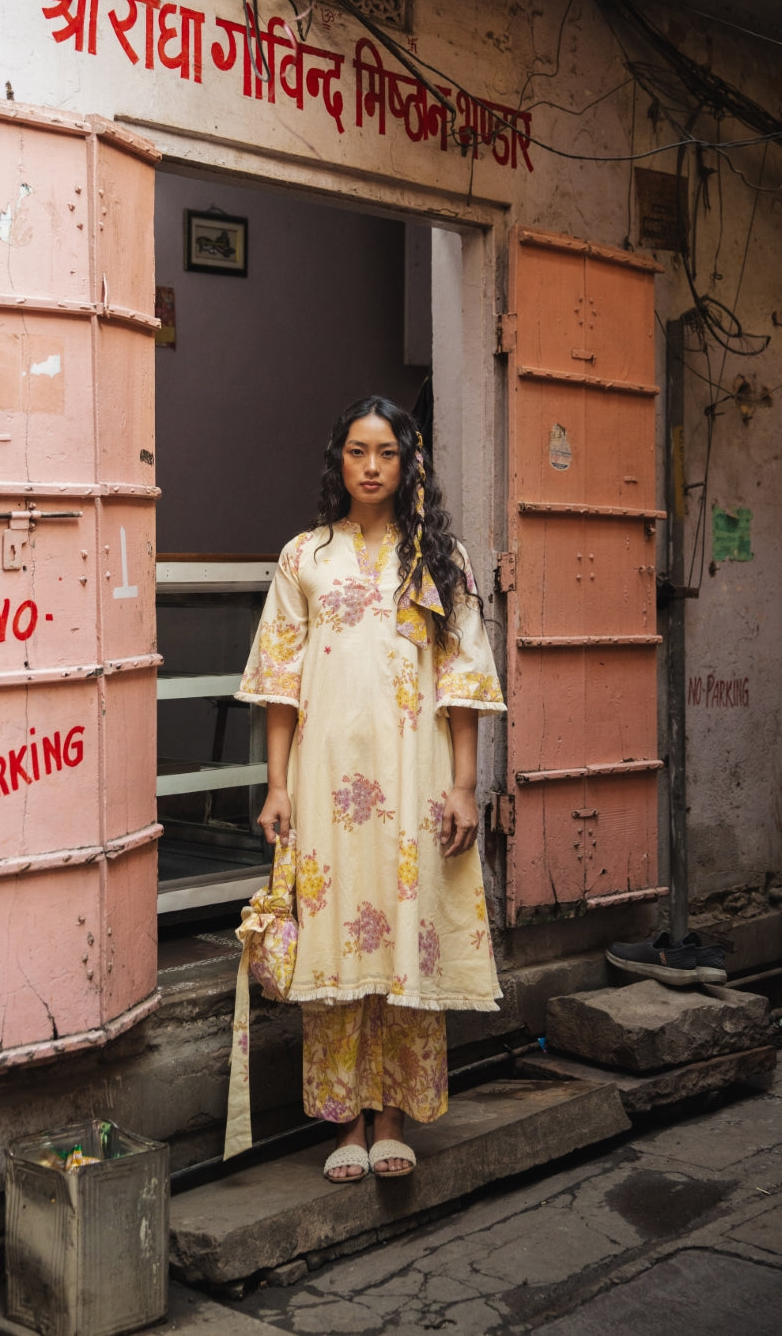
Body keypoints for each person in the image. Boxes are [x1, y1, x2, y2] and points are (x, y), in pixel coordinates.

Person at [235, 394, 505, 1181]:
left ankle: (393, 1117)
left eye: (387, 452)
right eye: (358, 451)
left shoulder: (438, 561)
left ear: (409, 461)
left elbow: (463, 682)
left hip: (414, 777)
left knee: (403, 931)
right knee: (334, 940)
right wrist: (277, 784)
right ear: (339, 460)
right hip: (324, 781)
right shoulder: (304, 558)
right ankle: (346, 1123)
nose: (373, 466)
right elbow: (280, 682)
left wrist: (464, 786)